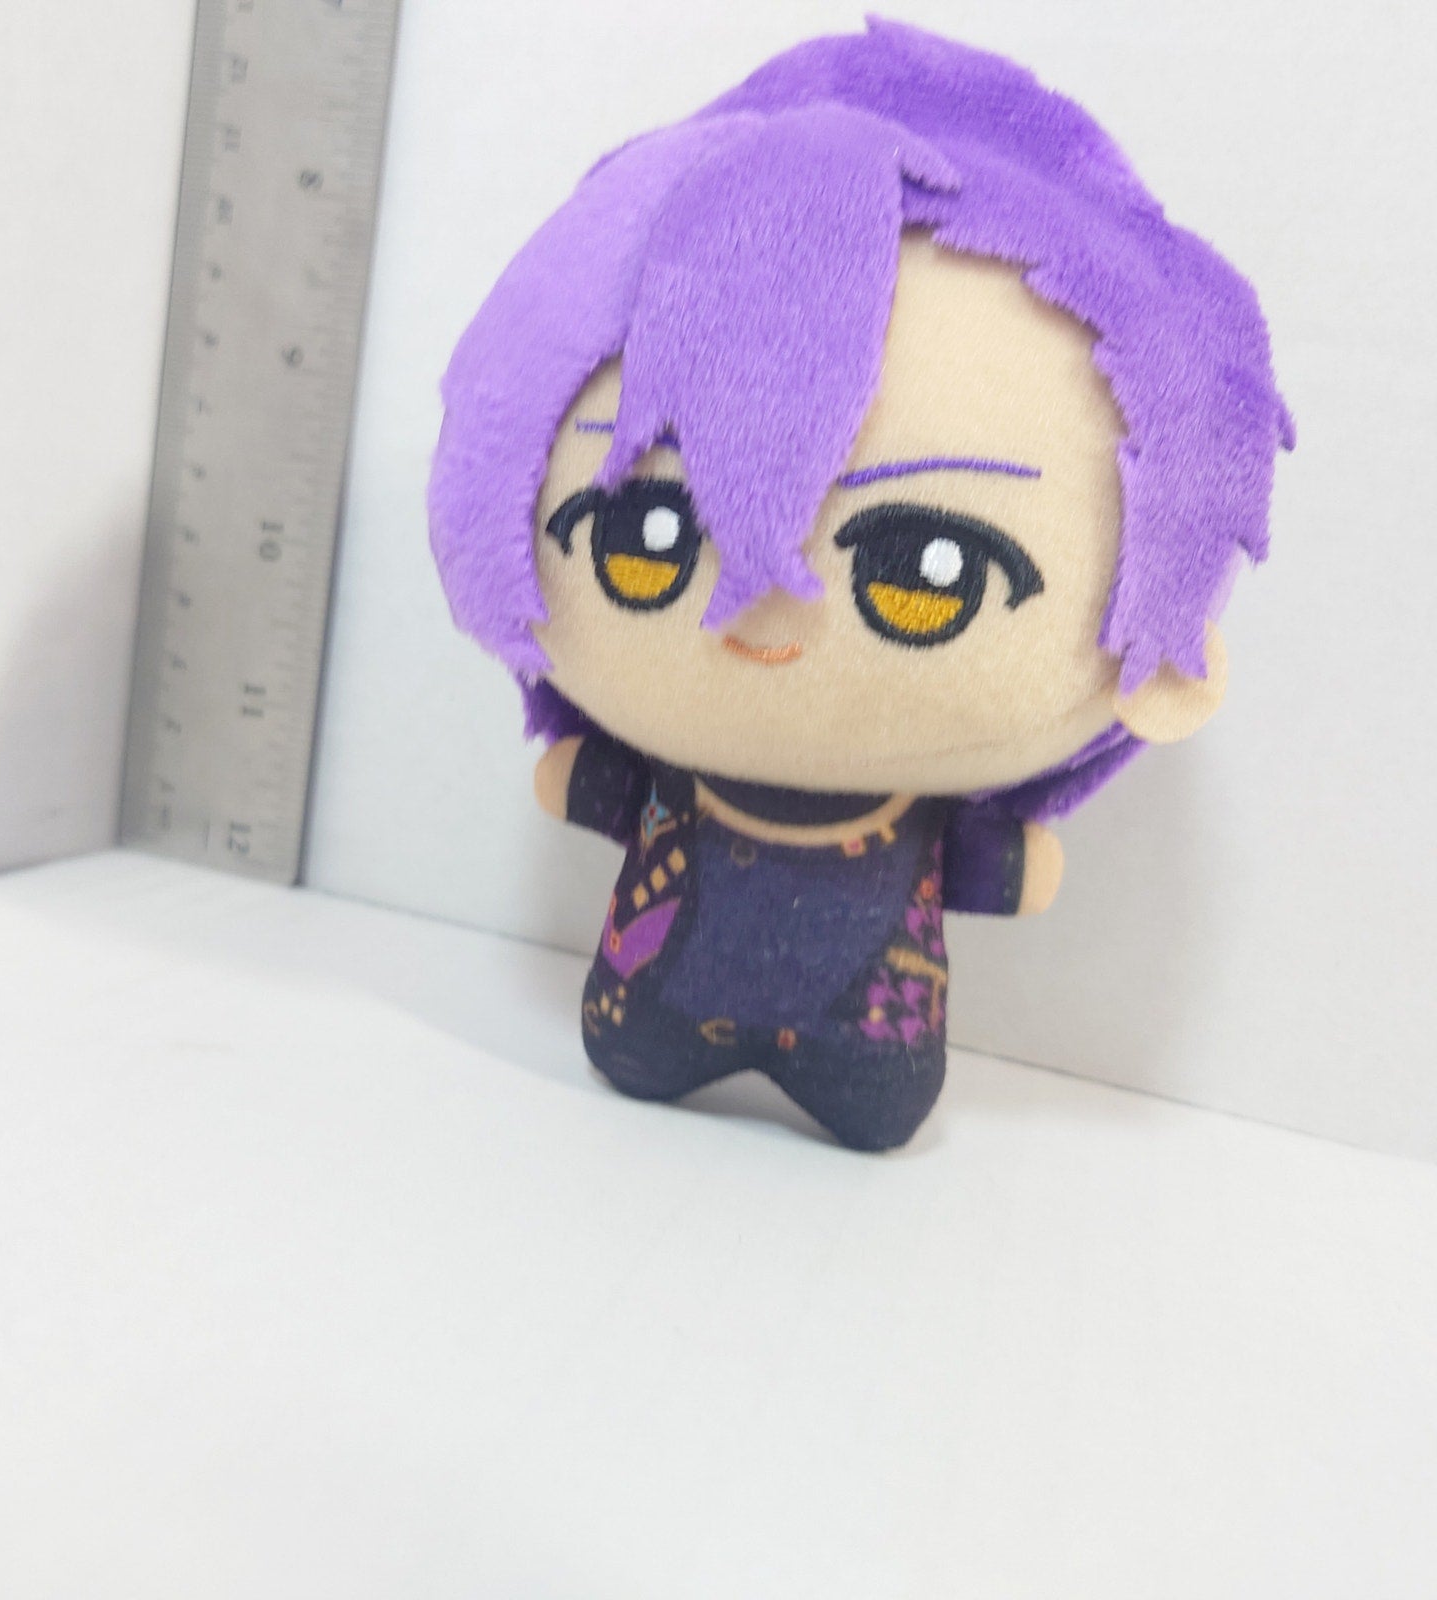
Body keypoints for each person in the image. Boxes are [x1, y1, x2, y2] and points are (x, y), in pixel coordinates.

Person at [428, 19, 1291, 1150]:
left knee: (872, 1088)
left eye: (927, 574)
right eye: (649, 538)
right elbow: (577, 783)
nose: (767, 612)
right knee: (641, 1041)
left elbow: (1009, 871)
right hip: (653, 1003)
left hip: (868, 1032)